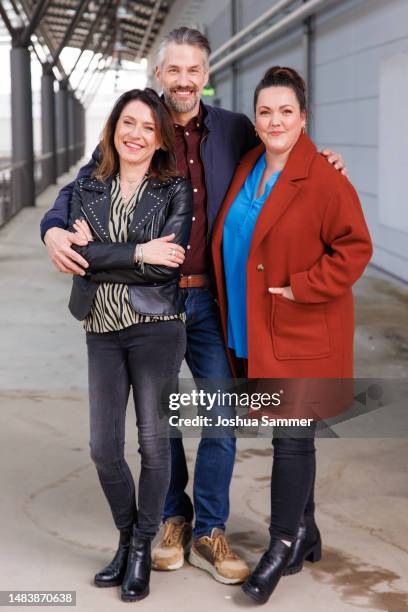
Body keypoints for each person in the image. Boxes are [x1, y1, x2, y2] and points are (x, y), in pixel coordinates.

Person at [40, 28, 347, 585]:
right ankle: (173, 518)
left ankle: (210, 526)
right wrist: (51, 229)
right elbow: (81, 185)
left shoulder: (233, 127)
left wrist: (324, 159)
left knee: (220, 415)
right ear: (159, 74)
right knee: (163, 423)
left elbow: (284, 152)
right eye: (173, 70)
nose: (183, 81)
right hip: (148, 299)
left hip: (211, 298)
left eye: (193, 71)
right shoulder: (138, 126)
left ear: (206, 76)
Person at [211, 66, 373, 604]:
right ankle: (307, 532)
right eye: (265, 111)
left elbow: (355, 248)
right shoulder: (250, 163)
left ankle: (281, 544)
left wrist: (302, 287)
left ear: (304, 118)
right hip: (251, 325)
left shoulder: (325, 177)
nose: (275, 120)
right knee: (293, 433)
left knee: (289, 436)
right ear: (254, 120)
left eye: (286, 111)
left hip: (300, 326)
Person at [66, 87, 192, 602]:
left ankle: (142, 547)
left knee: (155, 445)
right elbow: (80, 253)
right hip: (101, 325)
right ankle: (125, 537)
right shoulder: (88, 183)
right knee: (102, 449)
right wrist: (138, 249)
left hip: (157, 328)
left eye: (147, 126)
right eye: (128, 123)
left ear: (160, 136)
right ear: (114, 127)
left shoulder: (175, 190)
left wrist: (102, 253)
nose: (136, 134)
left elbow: (168, 264)